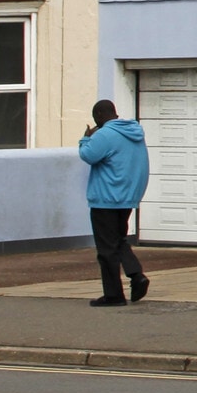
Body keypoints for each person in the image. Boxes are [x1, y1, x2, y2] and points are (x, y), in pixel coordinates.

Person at [78, 99, 150, 307]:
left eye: (95, 118)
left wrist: (85, 138)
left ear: (100, 115)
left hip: (105, 198)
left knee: (106, 249)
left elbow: (88, 155)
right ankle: (136, 275)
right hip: (127, 197)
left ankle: (114, 295)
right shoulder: (134, 132)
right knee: (118, 241)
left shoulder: (105, 134)